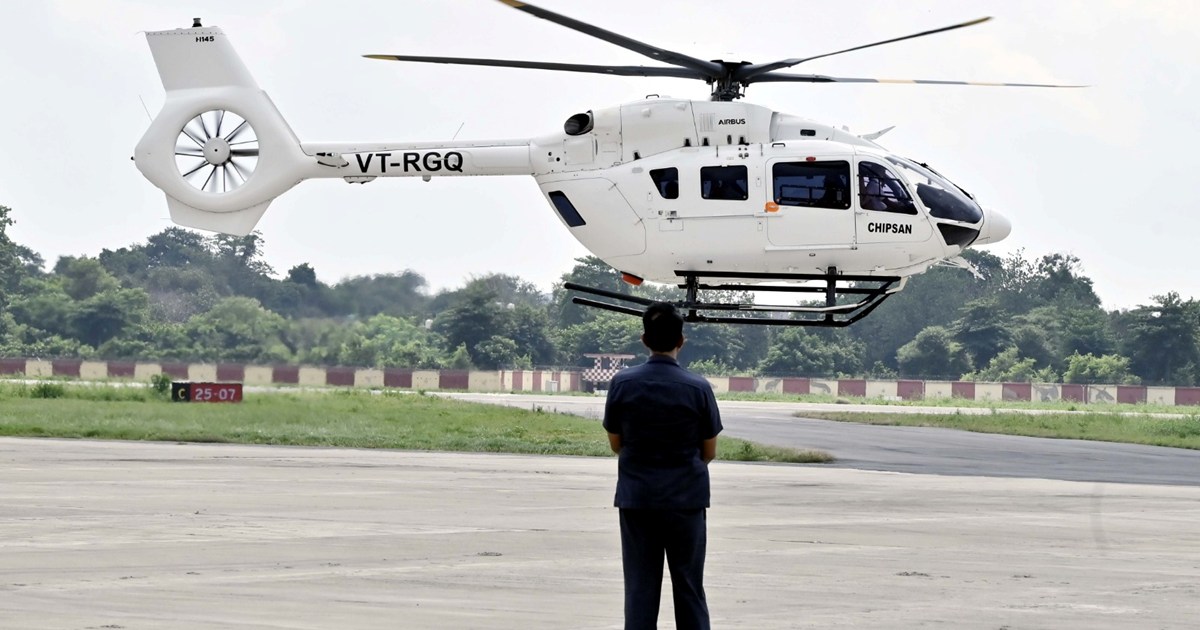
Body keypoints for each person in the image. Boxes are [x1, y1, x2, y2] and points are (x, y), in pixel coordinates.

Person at [603, 302, 723, 630]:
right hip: (686, 500)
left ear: (644, 340)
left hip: (638, 500)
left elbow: (616, 443)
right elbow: (708, 450)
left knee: (640, 589)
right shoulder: (698, 388)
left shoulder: (622, 384)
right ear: (681, 340)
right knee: (689, 587)